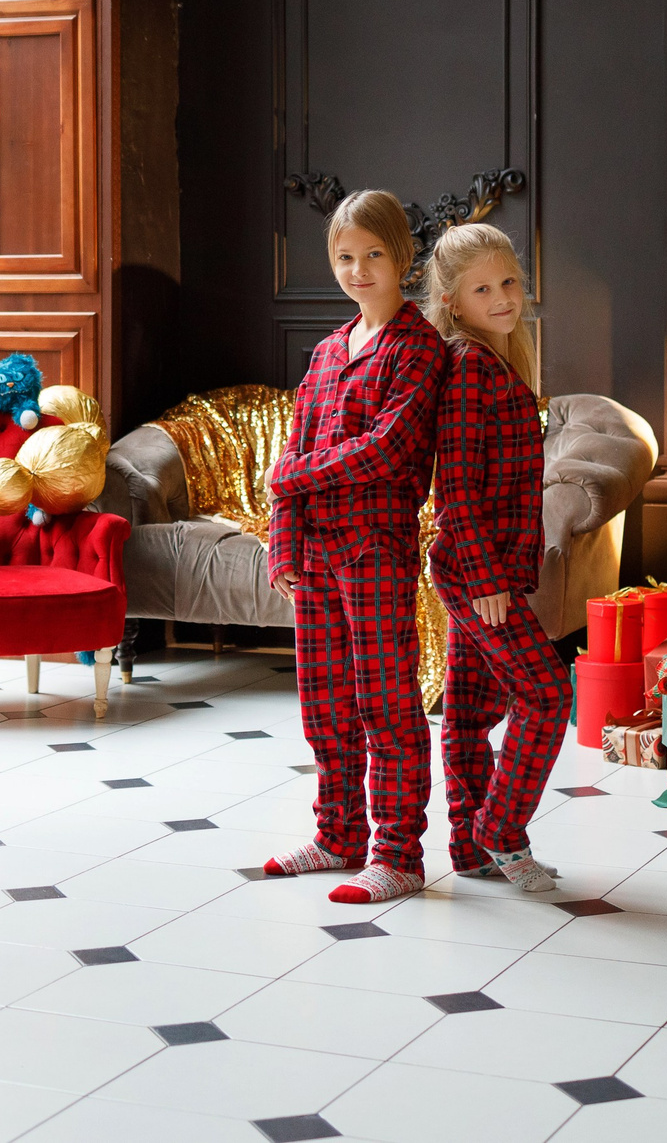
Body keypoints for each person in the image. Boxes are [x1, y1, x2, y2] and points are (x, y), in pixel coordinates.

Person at [262, 191, 448, 905]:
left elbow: (388, 449)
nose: (359, 269)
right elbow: (295, 448)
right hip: (313, 559)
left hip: (374, 551)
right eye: (345, 257)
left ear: (403, 257)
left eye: (373, 254)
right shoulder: (327, 350)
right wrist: (284, 546)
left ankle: (397, 853)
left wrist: (295, 474)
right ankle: (337, 835)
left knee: (384, 703)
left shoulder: (418, 348)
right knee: (323, 703)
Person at [425, 223, 567, 891]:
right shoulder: (467, 367)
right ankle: (500, 829)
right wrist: (485, 578)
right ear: (454, 301)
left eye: (509, 281)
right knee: (546, 692)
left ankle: (467, 843)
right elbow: (454, 484)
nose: (504, 296)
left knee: (471, 707)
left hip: (495, 572)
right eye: (483, 289)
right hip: (475, 572)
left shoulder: (504, 363)